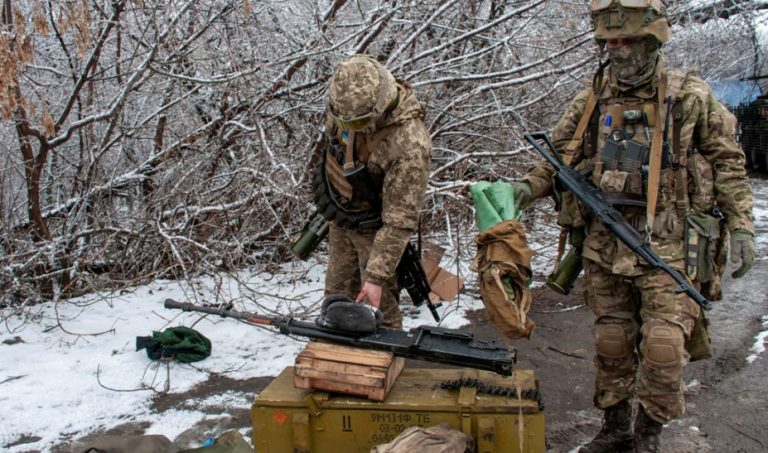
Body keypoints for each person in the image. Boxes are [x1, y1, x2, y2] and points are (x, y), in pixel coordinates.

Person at [509, 1, 755, 452]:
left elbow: (728, 162)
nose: (617, 51)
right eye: (610, 42)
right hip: (606, 244)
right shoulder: (594, 96)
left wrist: (741, 225)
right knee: (612, 342)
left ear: (652, 40)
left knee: (662, 347)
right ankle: (615, 429)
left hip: (670, 246)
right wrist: (524, 190)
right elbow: (557, 157)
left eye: (627, 41)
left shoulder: (690, 96)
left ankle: (647, 436)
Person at [312, 54, 431, 329]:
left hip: (376, 232)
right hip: (342, 217)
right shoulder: (346, 104)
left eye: (356, 124)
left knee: (379, 309)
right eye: (341, 120)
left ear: (379, 106)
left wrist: (376, 276)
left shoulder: (408, 145)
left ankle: (382, 362)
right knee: (336, 299)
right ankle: (338, 357)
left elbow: (399, 221)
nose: (346, 127)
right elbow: (335, 146)